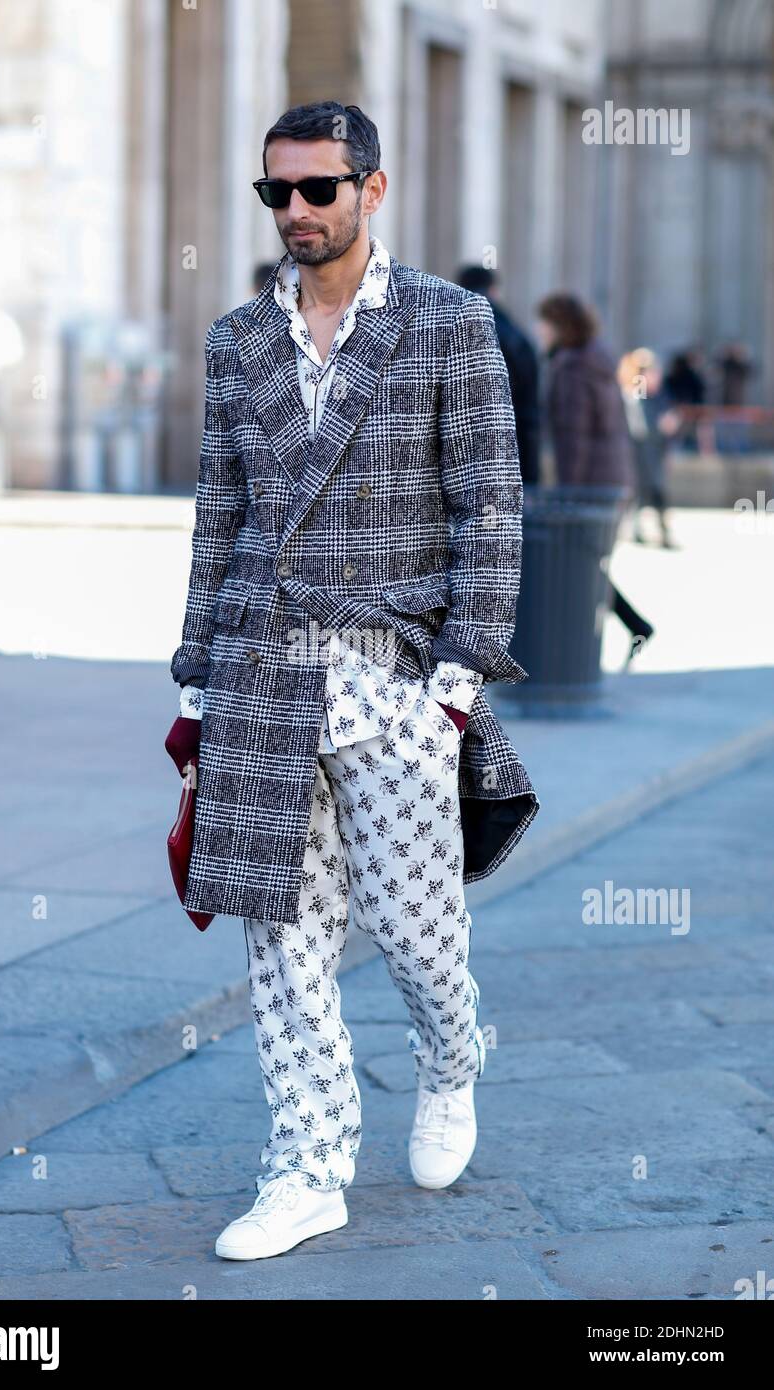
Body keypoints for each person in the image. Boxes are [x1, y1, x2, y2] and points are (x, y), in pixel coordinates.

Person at [165, 100, 540, 1260]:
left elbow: (489, 501)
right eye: (275, 192)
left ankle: (448, 1050)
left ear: (372, 190)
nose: (295, 213)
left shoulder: (445, 323)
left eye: (317, 190)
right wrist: (194, 675)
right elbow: (219, 513)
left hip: (395, 676)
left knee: (418, 928)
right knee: (279, 936)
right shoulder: (238, 340)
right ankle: (309, 1164)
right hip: (262, 672)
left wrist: (459, 673)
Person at [535, 293, 654, 666]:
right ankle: (633, 627)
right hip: (614, 479)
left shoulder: (571, 369)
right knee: (589, 563)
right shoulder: (598, 361)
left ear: (559, 326)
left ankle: (582, 653)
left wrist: (569, 494)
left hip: (590, 484)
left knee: (581, 566)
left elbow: (574, 437)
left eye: (544, 323)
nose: (539, 331)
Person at [456, 265, 540, 484]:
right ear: (493, 290)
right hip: (517, 440)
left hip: (474, 448)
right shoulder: (512, 330)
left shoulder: (458, 325)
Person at [617, 347, 679, 548]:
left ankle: (659, 532)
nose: (657, 376)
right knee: (640, 494)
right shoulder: (636, 395)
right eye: (653, 372)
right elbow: (639, 428)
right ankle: (639, 530)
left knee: (655, 494)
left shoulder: (658, 395)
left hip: (655, 453)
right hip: (640, 456)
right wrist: (661, 425)